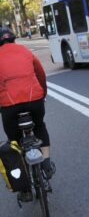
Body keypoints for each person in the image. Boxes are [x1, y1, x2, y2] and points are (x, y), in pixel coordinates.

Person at [0, 27, 54, 201]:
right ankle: (46, 163)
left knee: (14, 141)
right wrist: (42, 94)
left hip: (10, 106)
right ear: (14, 38)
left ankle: (24, 188)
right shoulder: (25, 51)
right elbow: (41, 74)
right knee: (39, 126)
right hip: (35, 101)